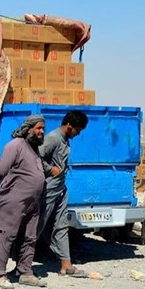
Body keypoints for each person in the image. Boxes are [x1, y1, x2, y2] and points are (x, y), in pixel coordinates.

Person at [0, 115, 48, 289]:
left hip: (32, 202)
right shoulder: (15, 145)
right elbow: (2, 171)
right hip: (13, 200)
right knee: (6, 235)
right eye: (38, 128)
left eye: (43, 128)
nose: (41, 132)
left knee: (30, 236)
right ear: (28, 129)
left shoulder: (34, 149)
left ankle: (25, 272)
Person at [37, 110, 89, 277]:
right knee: (37, 226)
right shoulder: (53, 138)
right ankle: (21, 265)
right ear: (69, 126)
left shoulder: (65, 140)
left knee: (61, 226)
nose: (78, 133)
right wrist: (50, 169)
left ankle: (66, 265)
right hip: (48, 189)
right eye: (78, 130)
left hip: (60, 189)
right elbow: (36, 156)